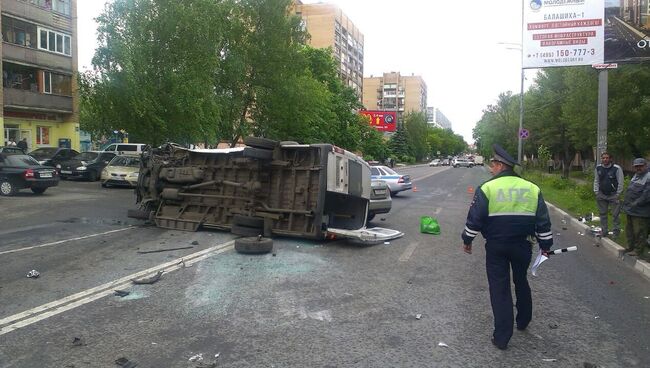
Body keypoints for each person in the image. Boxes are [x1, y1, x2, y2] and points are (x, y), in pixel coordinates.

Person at [461, 144, 553, 350]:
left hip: (497, 246)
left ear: (501, 165)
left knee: (499, 288)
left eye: (493, 164)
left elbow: (474, 219)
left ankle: (502, 337)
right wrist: (546, 246)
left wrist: (467, 240)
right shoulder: (532, 188)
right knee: (521, 280)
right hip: (522, 246)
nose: (492, 168)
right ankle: (523, 320)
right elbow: (543, 222)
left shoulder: (487, 188)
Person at [622, 158, 650, 259]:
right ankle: (630, 247)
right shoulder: (636, 175)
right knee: (630, 230)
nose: (638, 168)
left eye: (640, 166)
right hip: (631, 210)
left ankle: (638, 251)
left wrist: (635, 204)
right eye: (636, 166)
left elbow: (646, 196)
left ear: (645, 166)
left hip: (641, 212)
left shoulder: (648, 177)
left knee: (640, 232)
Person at [593, 152, 624, 237]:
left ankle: (616, 232)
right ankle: (604, 231)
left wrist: (618, 193)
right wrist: (596, 191)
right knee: (602, 214)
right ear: (601, 159)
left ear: (610, 159)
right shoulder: (598, 168)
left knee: (615, 215)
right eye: (603, 158)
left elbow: (620, 182)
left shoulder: (616, 168)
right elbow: (596, 180)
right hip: (601, 194)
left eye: (607, 158)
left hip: (613, 195)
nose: (605, 159)